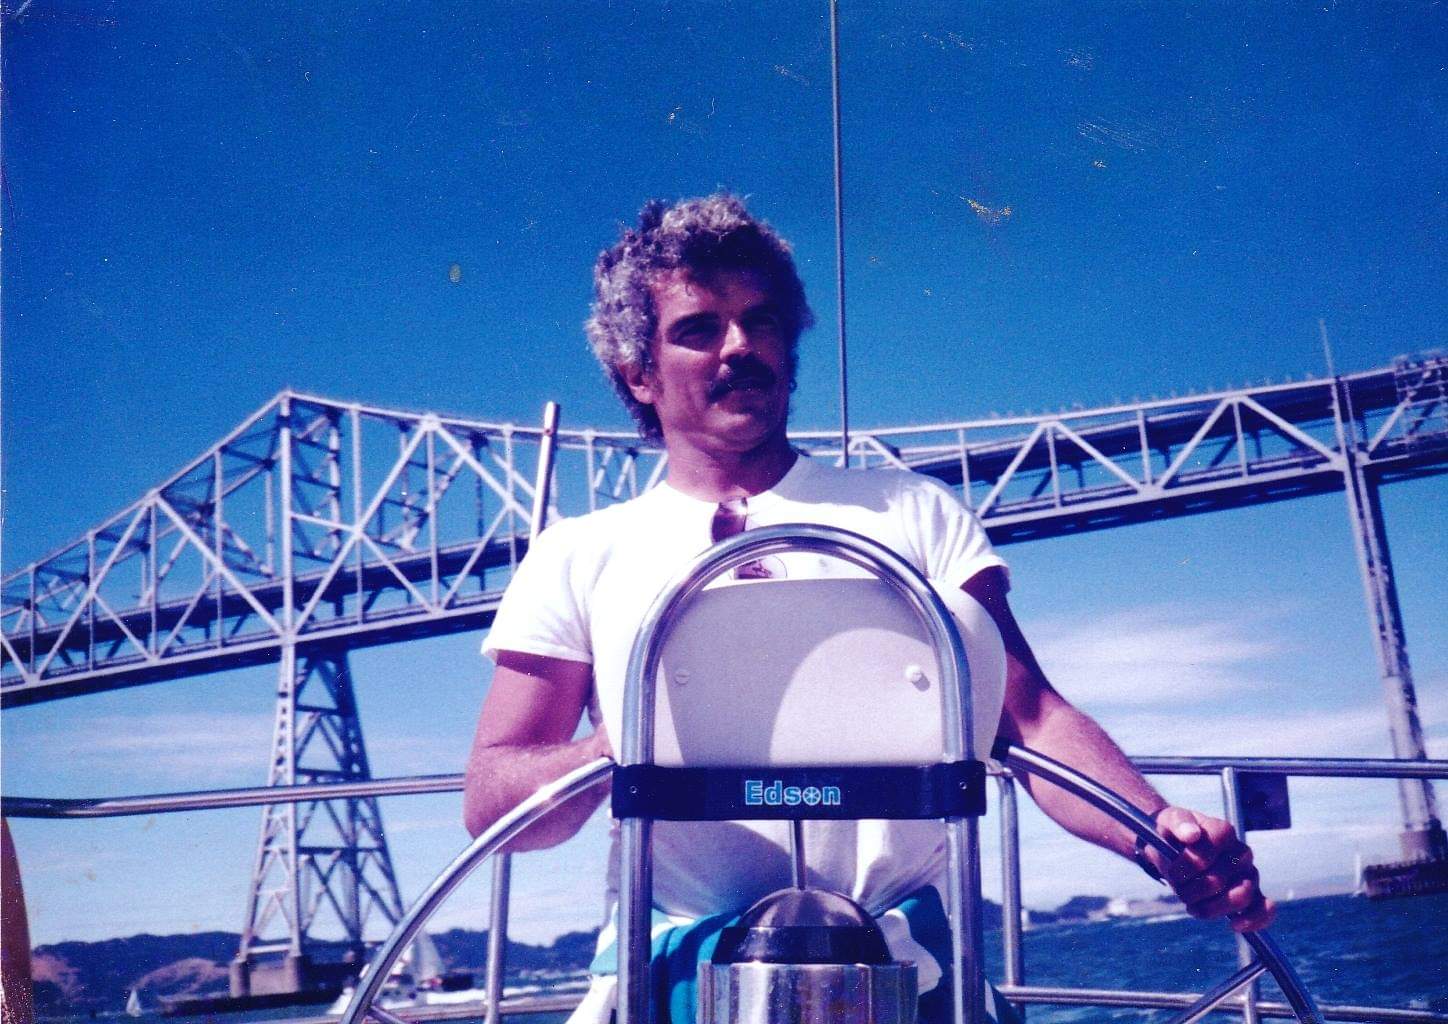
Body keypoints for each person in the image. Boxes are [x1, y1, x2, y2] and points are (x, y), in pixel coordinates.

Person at [463, 194, 1274, 1022]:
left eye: (761, 320)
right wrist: (617, 749)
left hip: (910, 977)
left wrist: (1157, 831)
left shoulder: (914, 513)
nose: (740, 345)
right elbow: (494, 800)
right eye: (699, 328)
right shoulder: (576, 553)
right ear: (637, 372)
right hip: (667, 985)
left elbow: (1031, 722)